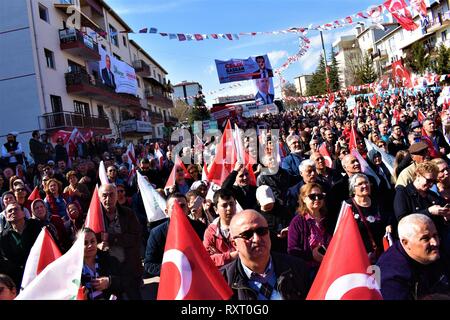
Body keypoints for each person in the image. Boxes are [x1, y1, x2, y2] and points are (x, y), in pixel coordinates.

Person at [220, 210, 311, 300]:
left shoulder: (297, 268)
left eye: (261, 231)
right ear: (234, 244)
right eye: (247, 234)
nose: (257, 239)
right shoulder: (222, 282)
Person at [377, 214, 450, 300]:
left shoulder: (433, 252)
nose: (435, 243)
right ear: (405, 243)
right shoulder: (391, 276)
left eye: (435, 235)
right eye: (425, 238)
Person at [98, 183, 143, 300]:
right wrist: (98, 245)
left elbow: (136, 237)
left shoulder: (128, 213)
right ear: (99, 197)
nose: (108, 199)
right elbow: (87, 240)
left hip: (130, 268)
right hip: (108, 271)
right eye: (104, 195)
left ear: (117, 196)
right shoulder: (95, 217)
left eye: (112, 195)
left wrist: (111, 238)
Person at [144, 193, 206, 277]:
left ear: (187, 209)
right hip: (171, 281)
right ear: (166, 211)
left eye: (182, 206)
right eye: (174, 207)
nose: (179, 210)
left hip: (198, 277)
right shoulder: (157, 233)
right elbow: (149, 264)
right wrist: (173, 269)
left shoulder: (200, 228)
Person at [288, 183, 330, 273]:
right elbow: (292, 250)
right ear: (304, 199)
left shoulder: (329, 219)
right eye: (312, 196)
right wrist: (312, 255)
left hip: (329, 266)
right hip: (308, 270)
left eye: (320, 196)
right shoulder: (297, 222)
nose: (317, 199)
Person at [0, 203, 42, 289]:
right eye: (9, 211)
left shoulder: (37, 226)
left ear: (23, 213)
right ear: (7, 216)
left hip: (40, 270)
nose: (13, 212)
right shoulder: (3, 237)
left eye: (16, 209)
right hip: (20, 279)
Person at [80, 228, 123, 300]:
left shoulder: (109, 259)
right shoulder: (74, 269)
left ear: (97, 242)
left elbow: (127, 282)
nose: (90, 245)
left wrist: (109, 281)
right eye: (85, 243)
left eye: (92, 241)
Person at [202, 189, 238, 267]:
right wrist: (231, 256)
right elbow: (207, 259)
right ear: (216, 210)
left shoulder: (245, 226)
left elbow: (247, 252)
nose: (229, 208)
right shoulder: (211, 231)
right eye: (224, 205)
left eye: (231, 204)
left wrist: (219, 256)